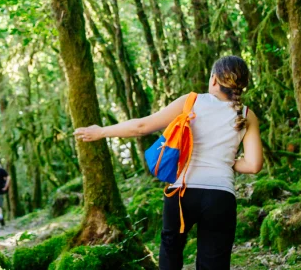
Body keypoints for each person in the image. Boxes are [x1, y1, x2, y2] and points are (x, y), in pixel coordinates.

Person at [73, 55, 263, 270]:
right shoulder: (247, 115)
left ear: (214, 80)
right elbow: (253, 165)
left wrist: (101, 132)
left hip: (182, 192)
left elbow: (142, 127)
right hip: (220, 197)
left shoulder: (191, 101)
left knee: (171, 254)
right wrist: (227, 161)